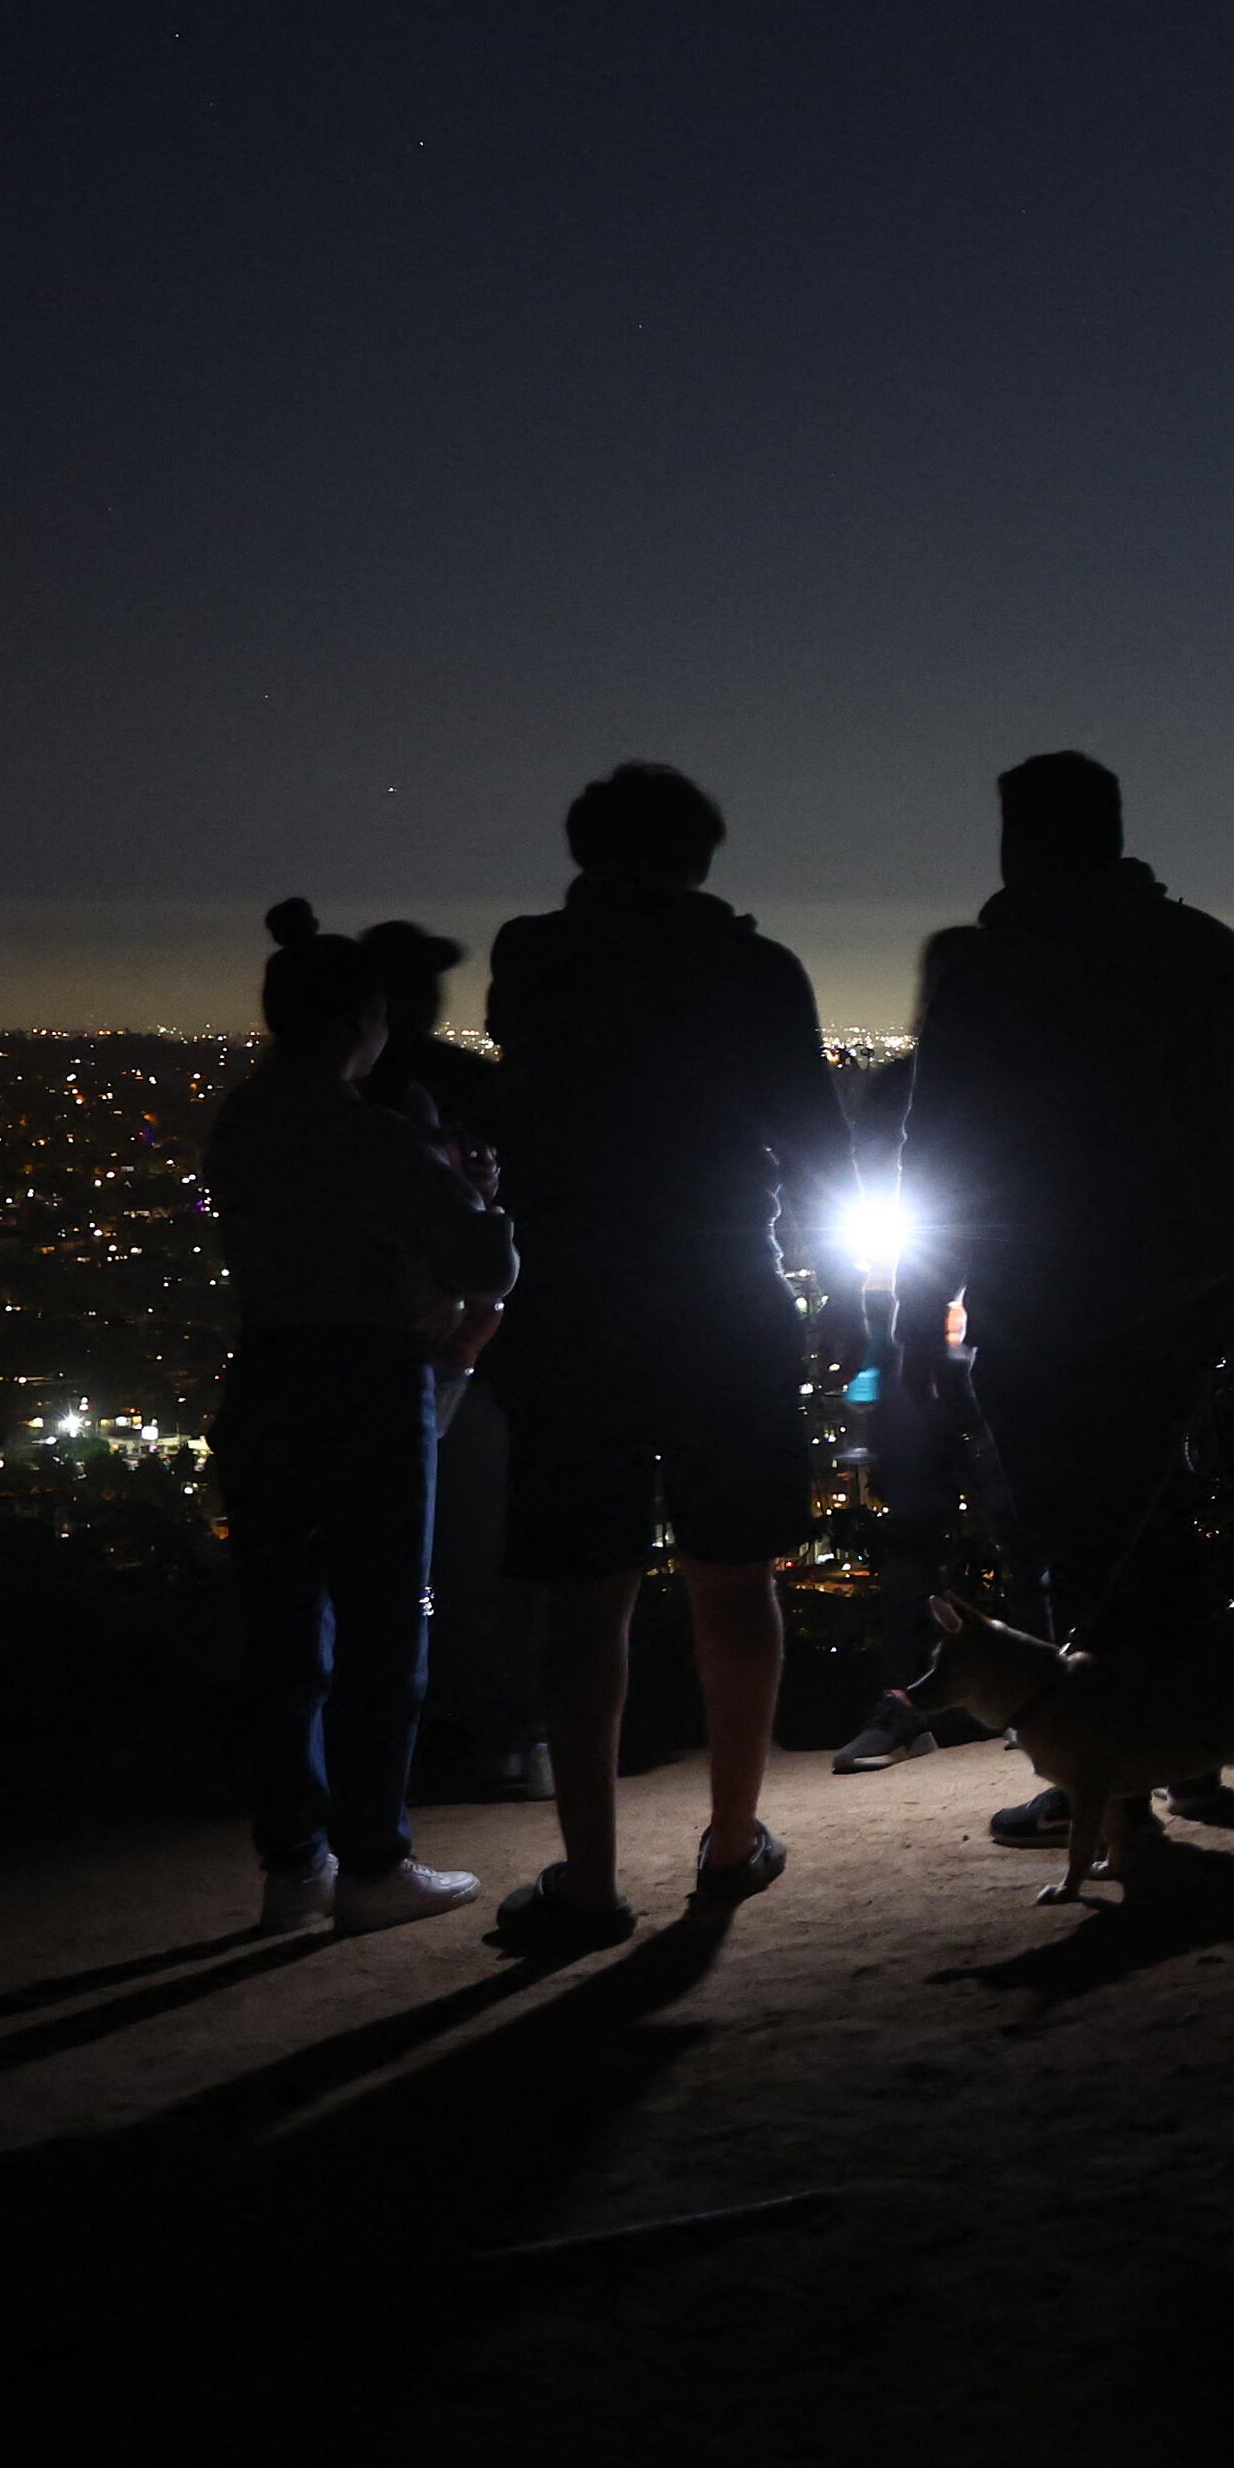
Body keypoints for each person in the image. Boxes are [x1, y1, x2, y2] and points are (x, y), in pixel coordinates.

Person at [479, 765, 857, 1952]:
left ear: (585, 850)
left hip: (575, 1303)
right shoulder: (757, 971)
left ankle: (588, 1878)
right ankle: (733, 1841)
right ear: (703, 856)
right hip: (721, 1294)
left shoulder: (535, 957)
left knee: (586, 1595)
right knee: (733, 1574)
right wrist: (843, 1289)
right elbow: (812, 1137)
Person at [903, 755, 1234, 1848]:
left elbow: (939, 1146)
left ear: (1018, 844)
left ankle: (1105, 1785)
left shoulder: (998, 974)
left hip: (1042, 1301)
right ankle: (1191, 1752)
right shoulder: (1213, 962)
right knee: (1162, 1532)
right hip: (1181, 1294)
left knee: (1073, 1539)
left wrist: (923, 1308)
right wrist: (1226, 1272)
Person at [206, 902, 513, 1934]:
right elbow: (486, 1264)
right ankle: (376, 1860)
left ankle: (294, 1865)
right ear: (360, 1024)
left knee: (284, 1629)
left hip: (266, 1372)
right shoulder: (373, 1136)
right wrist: (477, 1191)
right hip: (368, 1381)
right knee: (383, 1627)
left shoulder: (242, 1121)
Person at [357, 917, 544, 1803]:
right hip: (453, 1347)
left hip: (385, 1348)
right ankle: (488, 1729)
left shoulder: (321, 1103)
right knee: (469, 1551)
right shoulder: (455, 1092)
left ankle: (410, 1743)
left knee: (401, 1563)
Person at [833, 928, 1013, 1772]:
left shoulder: (1012, 1087)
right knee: (915, 1529)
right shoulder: (900, 1090)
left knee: (1024, 1527)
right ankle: (911, 1699)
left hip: (1000, 1332)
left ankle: (1034, 1696)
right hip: (920, 1333)